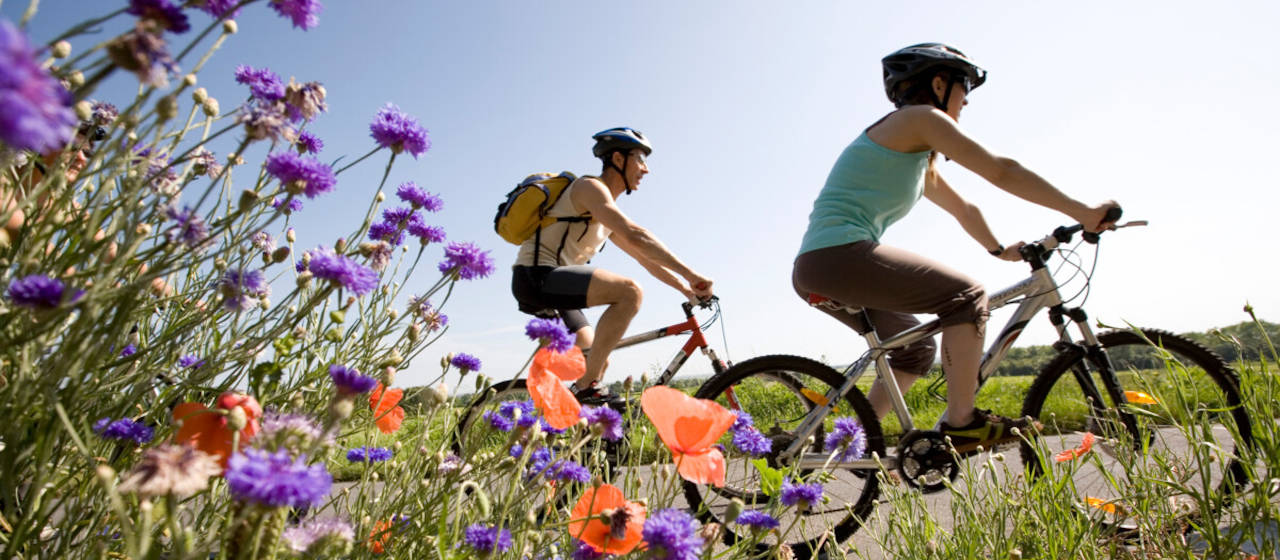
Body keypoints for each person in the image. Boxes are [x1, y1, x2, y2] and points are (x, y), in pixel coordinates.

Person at [792, 43, 1119, 451]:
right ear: (939, 83)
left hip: (825, 265)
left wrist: (1000, 249)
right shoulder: (919, 119)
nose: (966, 100)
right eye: (964, 88)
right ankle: (962, 423)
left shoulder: (915, 153)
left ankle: (847, 446)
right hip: (837, 258)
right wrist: (1085, 210)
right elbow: (1001, 171)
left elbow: (963, 207)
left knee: (915, 352)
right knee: (965, 296)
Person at [511, 127, 715, 404]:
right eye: (640, 158)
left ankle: (576, 423)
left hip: (555, 285)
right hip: (536, 277)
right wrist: (692, 274)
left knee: (596, 358)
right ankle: (586, 388)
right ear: (618, 160)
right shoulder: (589, 189)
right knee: (630, 292)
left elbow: (646, 258)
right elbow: (636, 235)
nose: (646, 169)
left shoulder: (605, 211)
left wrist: (686, 289)